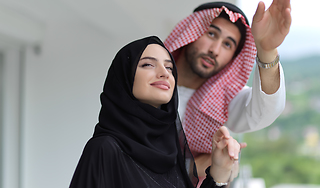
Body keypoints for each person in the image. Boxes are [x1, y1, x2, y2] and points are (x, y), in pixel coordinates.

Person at [69, 36, 245, 188]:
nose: (164, 73)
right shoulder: (104, 149)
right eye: (147, 64)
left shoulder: (170, 151)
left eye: (169, 68)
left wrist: (219, 173)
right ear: (124, 77)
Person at [164, 0, 291, 177]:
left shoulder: (223, 100)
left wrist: (267, 50)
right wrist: (196, 167)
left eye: (228, 45)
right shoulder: (146, 79)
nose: (214, 50)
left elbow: (265, 110)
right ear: (192, 33)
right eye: (211, 34)